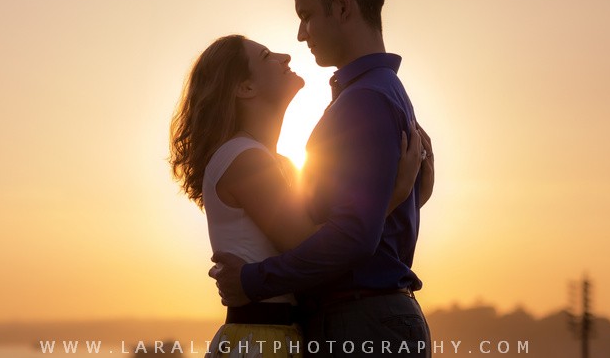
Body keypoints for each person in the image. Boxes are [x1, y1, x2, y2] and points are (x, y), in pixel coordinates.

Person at [210, 0, 434, 357]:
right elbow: (366, 219)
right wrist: (395, 198)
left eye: (307, 14)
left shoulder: (363, 101)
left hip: (361, 321)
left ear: (343, 6)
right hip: (370, 319)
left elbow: (353, 235)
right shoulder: (379, 94)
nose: (300, 34)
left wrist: (252, 281)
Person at [169, 34, 424, 358]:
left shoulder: (275, 163)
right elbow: (311, 242)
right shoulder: (244, 160)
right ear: (245, 88)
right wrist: (394, 195)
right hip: (260, 341)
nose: (285, 56)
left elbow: (333, 224)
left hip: (282, 334)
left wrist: (413, 186)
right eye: (265, 56)